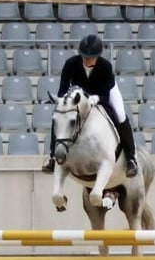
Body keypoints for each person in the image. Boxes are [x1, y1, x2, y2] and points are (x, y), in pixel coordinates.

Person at [42, 34, 138, 177]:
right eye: (84, 56)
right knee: (59, 115)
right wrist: (62, 103)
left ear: (98, 56)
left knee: (120, 114)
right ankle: (52, 157)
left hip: (103, 94)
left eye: (91, 57)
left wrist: (96, 98)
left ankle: (131, 158)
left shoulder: (105, 67)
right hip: (79, 98)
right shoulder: (70, 64)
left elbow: (106, 97)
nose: (87, 59)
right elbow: (62, 91)